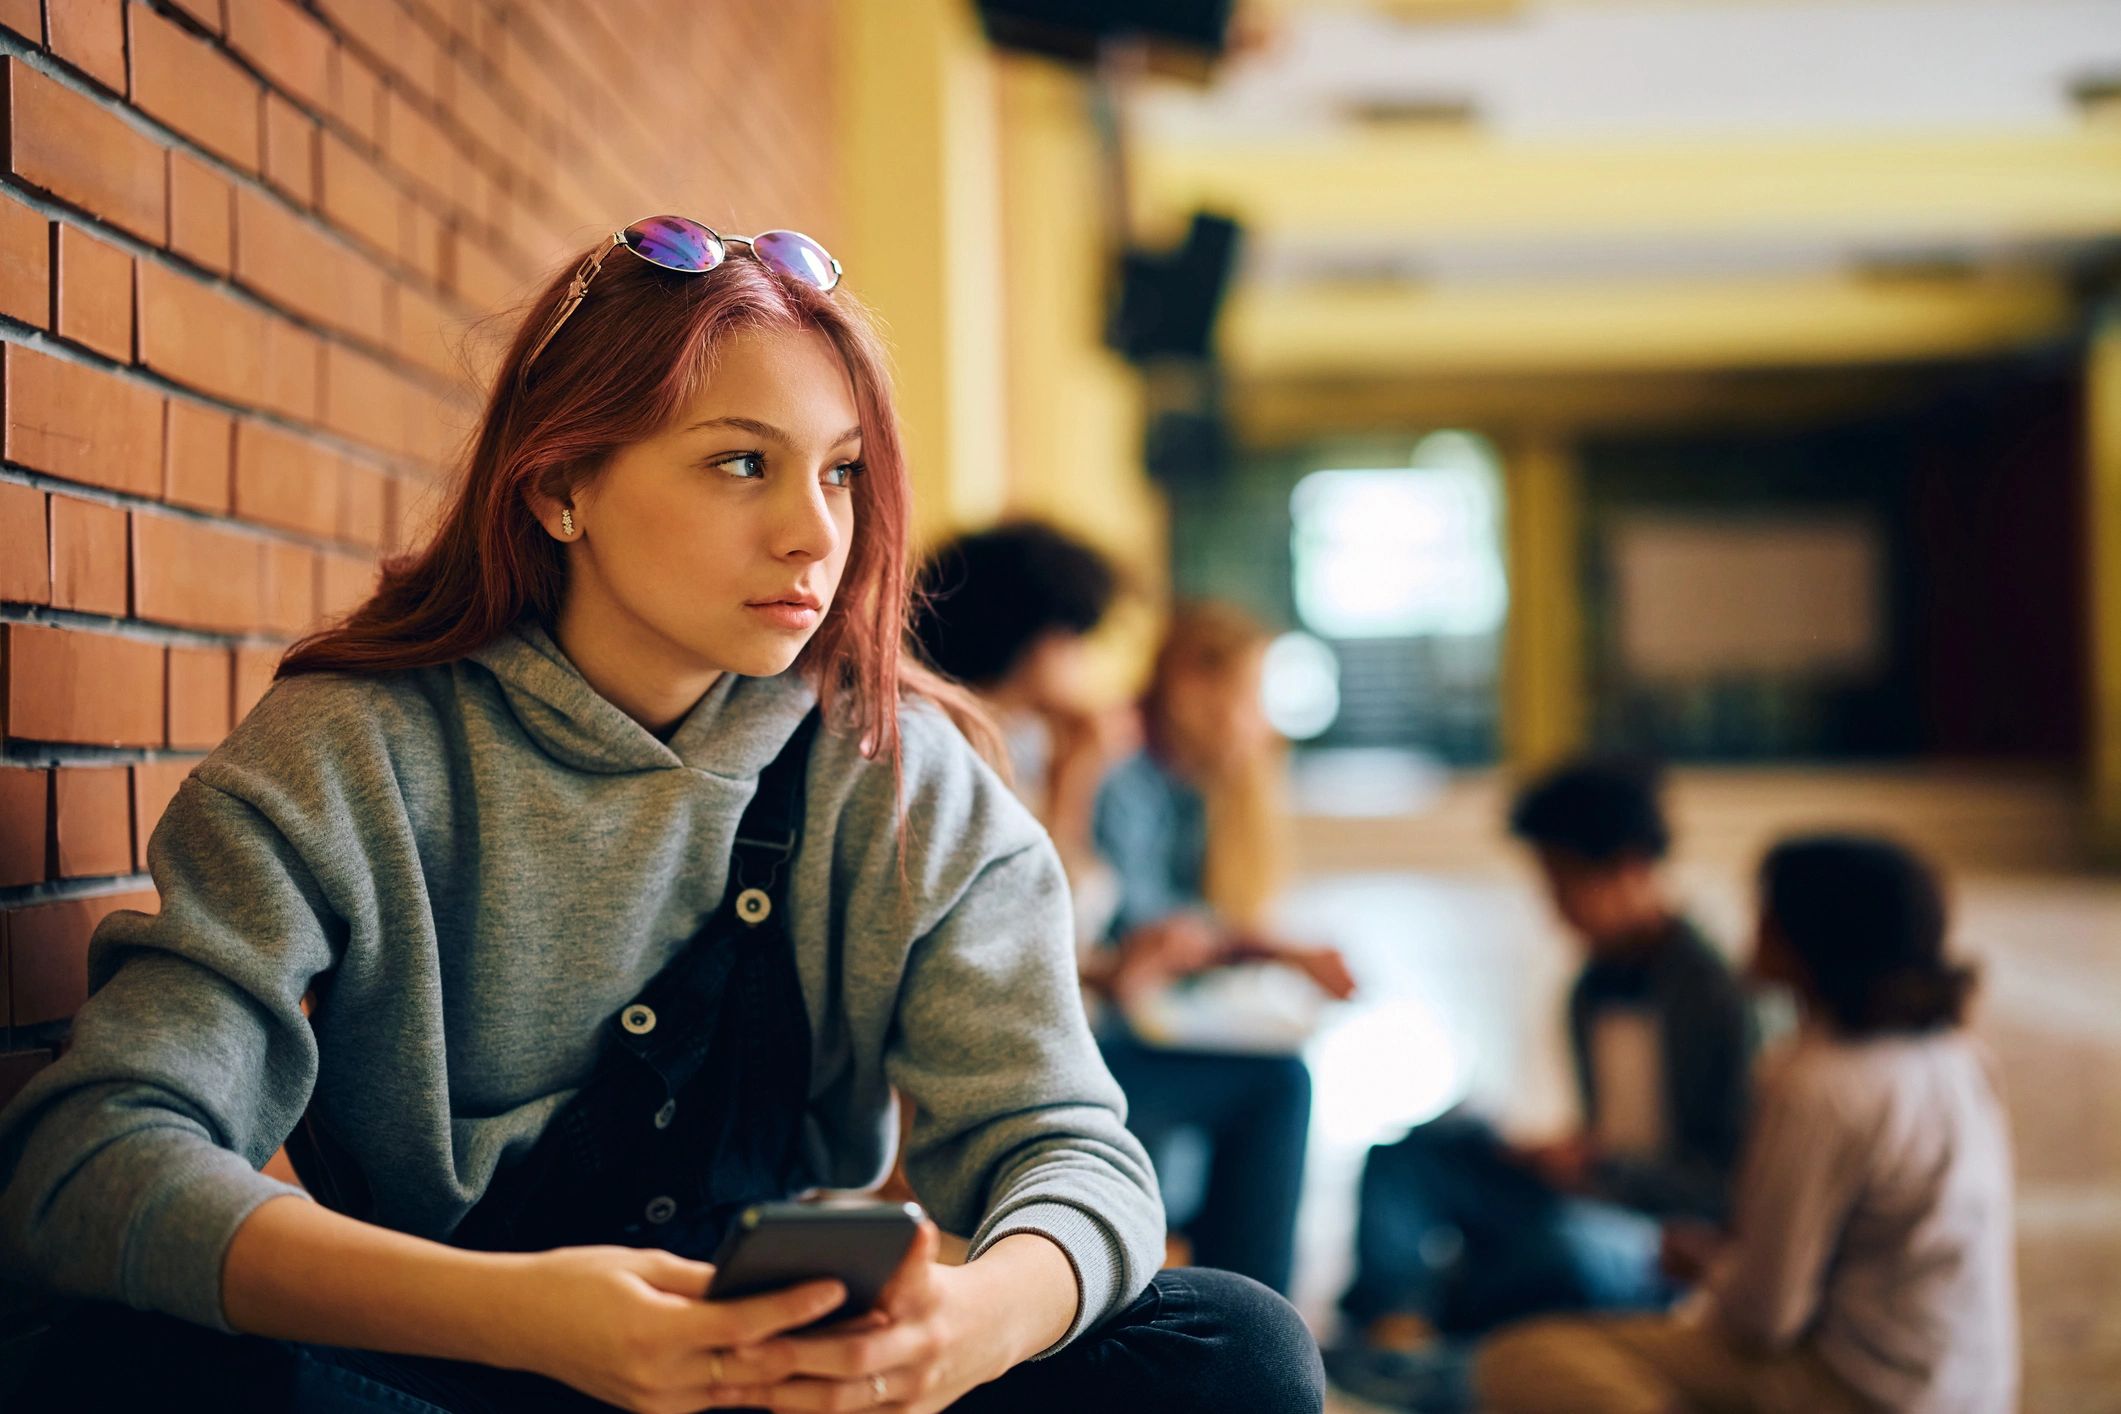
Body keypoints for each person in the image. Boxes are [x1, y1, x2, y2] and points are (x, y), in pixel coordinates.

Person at [0, 216, 1324, 1413]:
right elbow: (92, 1159)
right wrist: (521, 1318)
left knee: (1234, 1348)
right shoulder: (354, 750)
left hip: (781, 1380)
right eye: (742, 463)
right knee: (113, 1369)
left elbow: (1074, 1152)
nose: (817, 534)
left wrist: (968, 1324)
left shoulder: (902, 768)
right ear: (559, 485)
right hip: (458, 1374)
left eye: (844, 472)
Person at [1479, 834, 2018, 1414]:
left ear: (1811, 936)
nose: (1750, 929)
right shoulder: (1956, 1054)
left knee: (1520, 1360)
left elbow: (1766, 1319)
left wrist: (1705, 1261)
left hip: (1866, 1391)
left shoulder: (1818, 1082)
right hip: (1971, 1390)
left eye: (1765, 912)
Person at [1328, 760, 1753, 1407]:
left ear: (1630, 867)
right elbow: (1611, 1125)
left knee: (1563, 1255)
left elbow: (1726, 1185)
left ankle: (1428, 1341)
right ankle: (1395, 1324)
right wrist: (1563, 1154)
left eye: (1564, 886)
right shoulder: (1588, 987)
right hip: (1591, 1188)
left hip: (1659, 1236)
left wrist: (1604, 1165)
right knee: (1409, 1153)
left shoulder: (1716, 995)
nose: (1553, 911)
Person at [1089, 601, 1357, 1297]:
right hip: (1099, 1034)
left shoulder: (1196, 787)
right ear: (1188, 686)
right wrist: (1269, 950)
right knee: (1278, 1087)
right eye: (1250, 697)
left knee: (1272, 1080)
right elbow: (1136, 933)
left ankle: (1234, 1313)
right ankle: (1251, 1320)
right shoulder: (1115, 771)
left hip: (1138, 1023)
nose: (1261, 724)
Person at [911, 522, 1133, 947]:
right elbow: (1042, 917)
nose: (1083, 661)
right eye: (1076, 637)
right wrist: (1076, 775)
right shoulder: (948, 743)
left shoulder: (1026, 734)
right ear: (1032, 640)